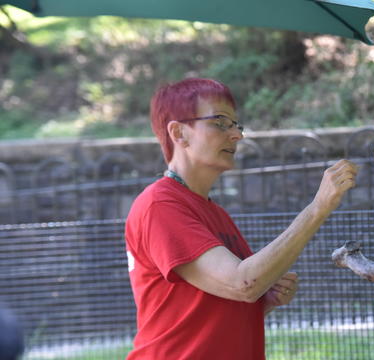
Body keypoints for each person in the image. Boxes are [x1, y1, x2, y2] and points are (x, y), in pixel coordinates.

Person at [125, 77, 358, 359]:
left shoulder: (213, 212)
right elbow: (243, 284)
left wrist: (265, 300)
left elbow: (224, 298)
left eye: (237, 125)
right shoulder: (160, 205)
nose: (237, 135)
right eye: (221, 122)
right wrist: (317, 208)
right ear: (178, 132)